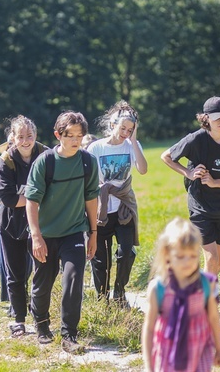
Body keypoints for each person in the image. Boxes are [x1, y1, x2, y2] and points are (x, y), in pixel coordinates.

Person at [25, 111, 100, 354]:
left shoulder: (88, 162)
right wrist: (36, 236)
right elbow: (31, 202)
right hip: (45, 233)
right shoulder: (44, 163)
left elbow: (91, 199)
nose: (76, 140)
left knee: (73, 279)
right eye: (70, 136)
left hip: (74, 232)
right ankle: (42, 325)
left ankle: (69, 334)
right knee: (43, 282)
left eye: (80, 135)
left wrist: (93, 233)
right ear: (58, 135)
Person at [161, 97, 220, 278]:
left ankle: (193, 284)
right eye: (216, 117)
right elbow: (166, 156)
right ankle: (209, 303)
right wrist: (188, 173)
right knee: (212, 258)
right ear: (206, 118)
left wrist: (217, 183)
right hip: (200, 205)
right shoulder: (195, 139)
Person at [141, 218, 220, 372]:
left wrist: (219, 348)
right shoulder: (158, 288)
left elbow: (213, 317)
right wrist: (149, 366)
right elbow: (149, 328)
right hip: (167, 351)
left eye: (193, 256)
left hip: (199, 351)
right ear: (167, 255)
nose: (187, 262)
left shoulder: (206, 284)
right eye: (180, 257)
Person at [0, 115, 47, 337]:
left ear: (35, 136)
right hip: (11, 225)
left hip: (40, 224)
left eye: (29, 136)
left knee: (41, 270)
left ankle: (40, 316)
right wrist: (36, 198)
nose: (25, 141)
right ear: (12, 138)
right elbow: (8, 199)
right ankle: (18, 319)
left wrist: (34, 200)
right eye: (20, 136)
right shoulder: (6, 160)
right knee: (16, 274)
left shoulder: (45, 155)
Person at [87, 101, 147, 306]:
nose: (125, 133)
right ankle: (102, 298)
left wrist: (134, 140)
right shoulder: (96, 148)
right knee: (101, 260)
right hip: (101, 208)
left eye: (130, 130)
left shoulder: (132, 145)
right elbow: (88, 180)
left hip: (123, 207)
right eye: (123, 128)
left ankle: (120, 293)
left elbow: (143, 169)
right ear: (112, 125)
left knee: (126, 251)